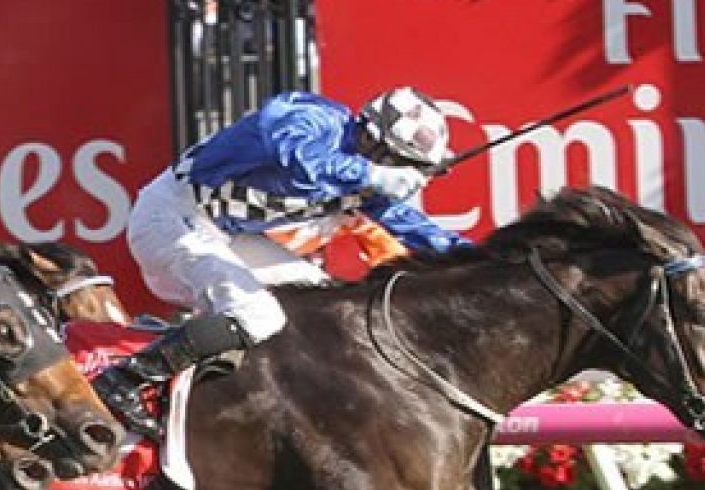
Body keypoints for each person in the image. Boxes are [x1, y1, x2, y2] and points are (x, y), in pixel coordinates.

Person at [94, 86, 468, 437]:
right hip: (168, 217)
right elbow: (299, 157)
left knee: (324, 306)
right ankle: (125, 380)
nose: (402, 174)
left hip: (224, 233)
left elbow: (419, 232)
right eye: (401, 163)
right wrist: (375, 174)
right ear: (375, 142)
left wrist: (483, 259)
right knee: (258, 315)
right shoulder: (308, 115)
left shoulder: (363, 181)